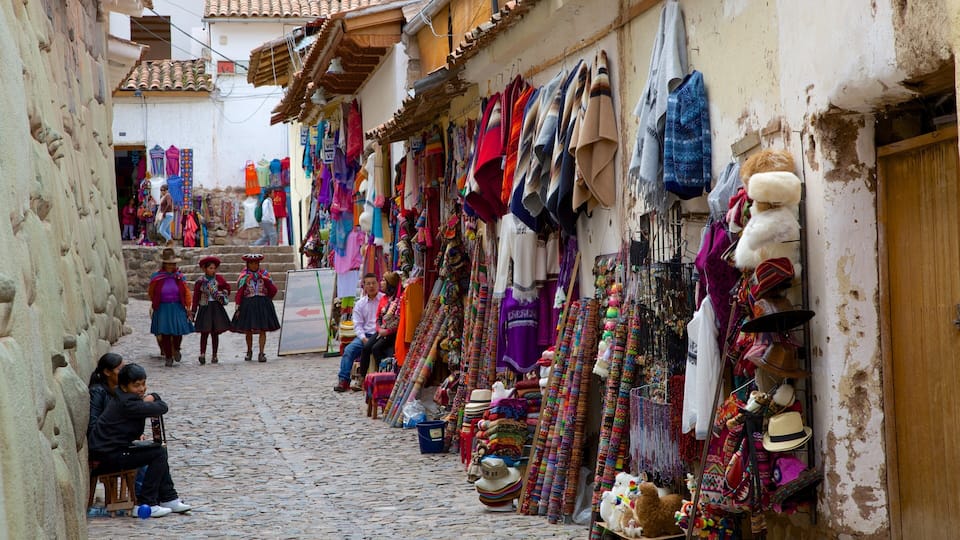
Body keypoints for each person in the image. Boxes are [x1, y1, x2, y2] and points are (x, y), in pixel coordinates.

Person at [88, 363, 191, 518]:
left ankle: (169, 497)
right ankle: (146, 502)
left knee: (157, 449)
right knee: (158, 453)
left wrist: (150, 398)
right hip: (109, 456)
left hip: (115, 450)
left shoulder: (123, 397)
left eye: (143, 384)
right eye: (136, 386)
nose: (142, 389)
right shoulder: (127, 404)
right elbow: (162, 407)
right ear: (124, 387)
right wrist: (153, 398)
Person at [334, 273, 384, 392]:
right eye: (368, 284)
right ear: (364, 286)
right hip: (365, 335)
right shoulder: (360, 304)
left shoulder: (384, 300)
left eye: (373, 283)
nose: (371, 286)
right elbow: (357, 325)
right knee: (349, 350)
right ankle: (344, 380)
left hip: (380, 335)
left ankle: (378, 378)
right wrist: (363, 338)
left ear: (378, 284)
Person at [148, 248, 194, 367]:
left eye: (173, 264)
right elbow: (151, 292)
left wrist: (188, 306)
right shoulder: (157, 277)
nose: (171, 266)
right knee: (165, 333)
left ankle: (177, 349)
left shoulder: (179, 277)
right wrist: (156, 302)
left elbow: (186, 291)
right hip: (163, 308)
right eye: (168, 264)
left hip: (177, 306)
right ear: (164, 264)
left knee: (178, 331)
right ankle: (168, 357)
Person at [232, 253, 280, 362]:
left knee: (263, 329)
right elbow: (240, 292)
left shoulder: (265, 274)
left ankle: (261, 353)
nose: (254, 265)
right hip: (248, 304)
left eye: (256, 263)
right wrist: (238, 306)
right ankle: (249, 351)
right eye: (251, 263)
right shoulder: (244, 276)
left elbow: (273, 290)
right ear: (247, 264)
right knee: (248, 329)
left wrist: (264, 280)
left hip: (262, 304)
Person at [357, 271, 402, 383]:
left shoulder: (397, 301)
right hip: (380, 331)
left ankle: (382, 376)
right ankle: (362, 377)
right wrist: (379, 329)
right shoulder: (384, 299)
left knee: (376, 348)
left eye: (383, 281)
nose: (381, 283)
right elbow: (378, 317)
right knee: (367, 347)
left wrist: (387, 331)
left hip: (390, 333)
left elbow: (398, 321)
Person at [190, 256, 231, 365]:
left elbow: (227, 288)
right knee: (204, 331)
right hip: (205, 307)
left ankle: (214, 355)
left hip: (216, 308)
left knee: (215, 332)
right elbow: (195, 298)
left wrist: (223, 293)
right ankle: (202, 353)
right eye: (210, 268)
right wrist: (193, 312)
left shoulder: (219, 280)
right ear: (205, 269)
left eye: (214, 268)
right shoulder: (200, 282)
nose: (213, 270)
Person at [88, 353, 124, 434]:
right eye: (120, 369)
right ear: (107, 372)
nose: (125, 373)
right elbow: (93, 425)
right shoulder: (97, 392)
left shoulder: (121, 390)